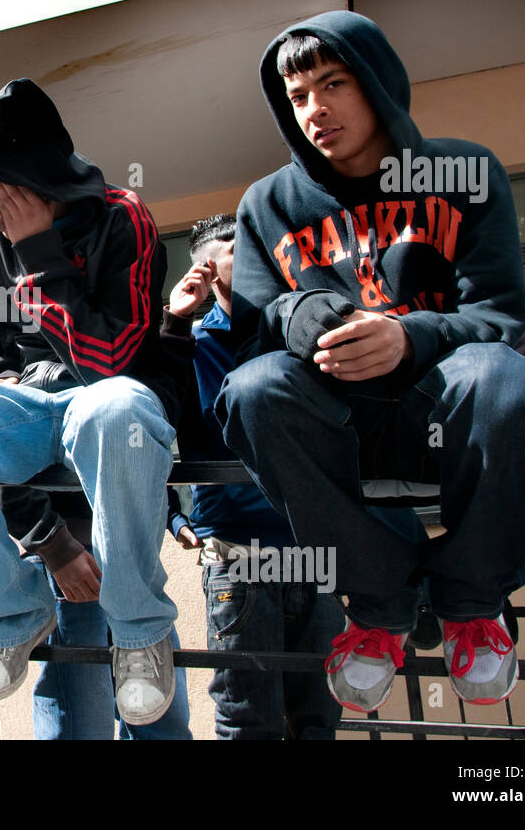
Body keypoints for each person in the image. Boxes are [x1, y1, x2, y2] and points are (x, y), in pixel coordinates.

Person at [215, 12, 525, 713]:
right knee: (251, 390)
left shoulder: (465, 173)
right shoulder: (267, 204)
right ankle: (379, 607)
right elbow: (255, 338)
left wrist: (409, 336)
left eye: (333, 83)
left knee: (510, 380)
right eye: (297, 95)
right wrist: (300, 313)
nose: (314, 108)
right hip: (339, 421)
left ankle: (472, 602)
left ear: (376, 82)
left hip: (449, 407)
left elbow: (500, 316)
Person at [0, 78, 182, 725]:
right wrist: (1, 373)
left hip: (106, 400)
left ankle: (139, 632)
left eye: (0, 188)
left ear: (41, 179)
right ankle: (14, 611)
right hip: (30, 401)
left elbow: (112, 363)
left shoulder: (121, 216)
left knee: (116, 407)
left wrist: (38, 254)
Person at [164, 214, 343, 738]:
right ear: (206, 266)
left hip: (315, 550)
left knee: (319, 714)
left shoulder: (297, 329)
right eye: (239, 246)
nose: (259, 253)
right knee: (247, 718)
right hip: (237, 556)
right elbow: (151, 427)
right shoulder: (188, 344)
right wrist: (171, 516)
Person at [0, 486, 190, 739]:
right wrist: (55, 546)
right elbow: (3, 469)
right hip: (73, 554)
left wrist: (171, 512)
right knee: (85, 724)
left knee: (160, 719)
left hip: (128, 557)